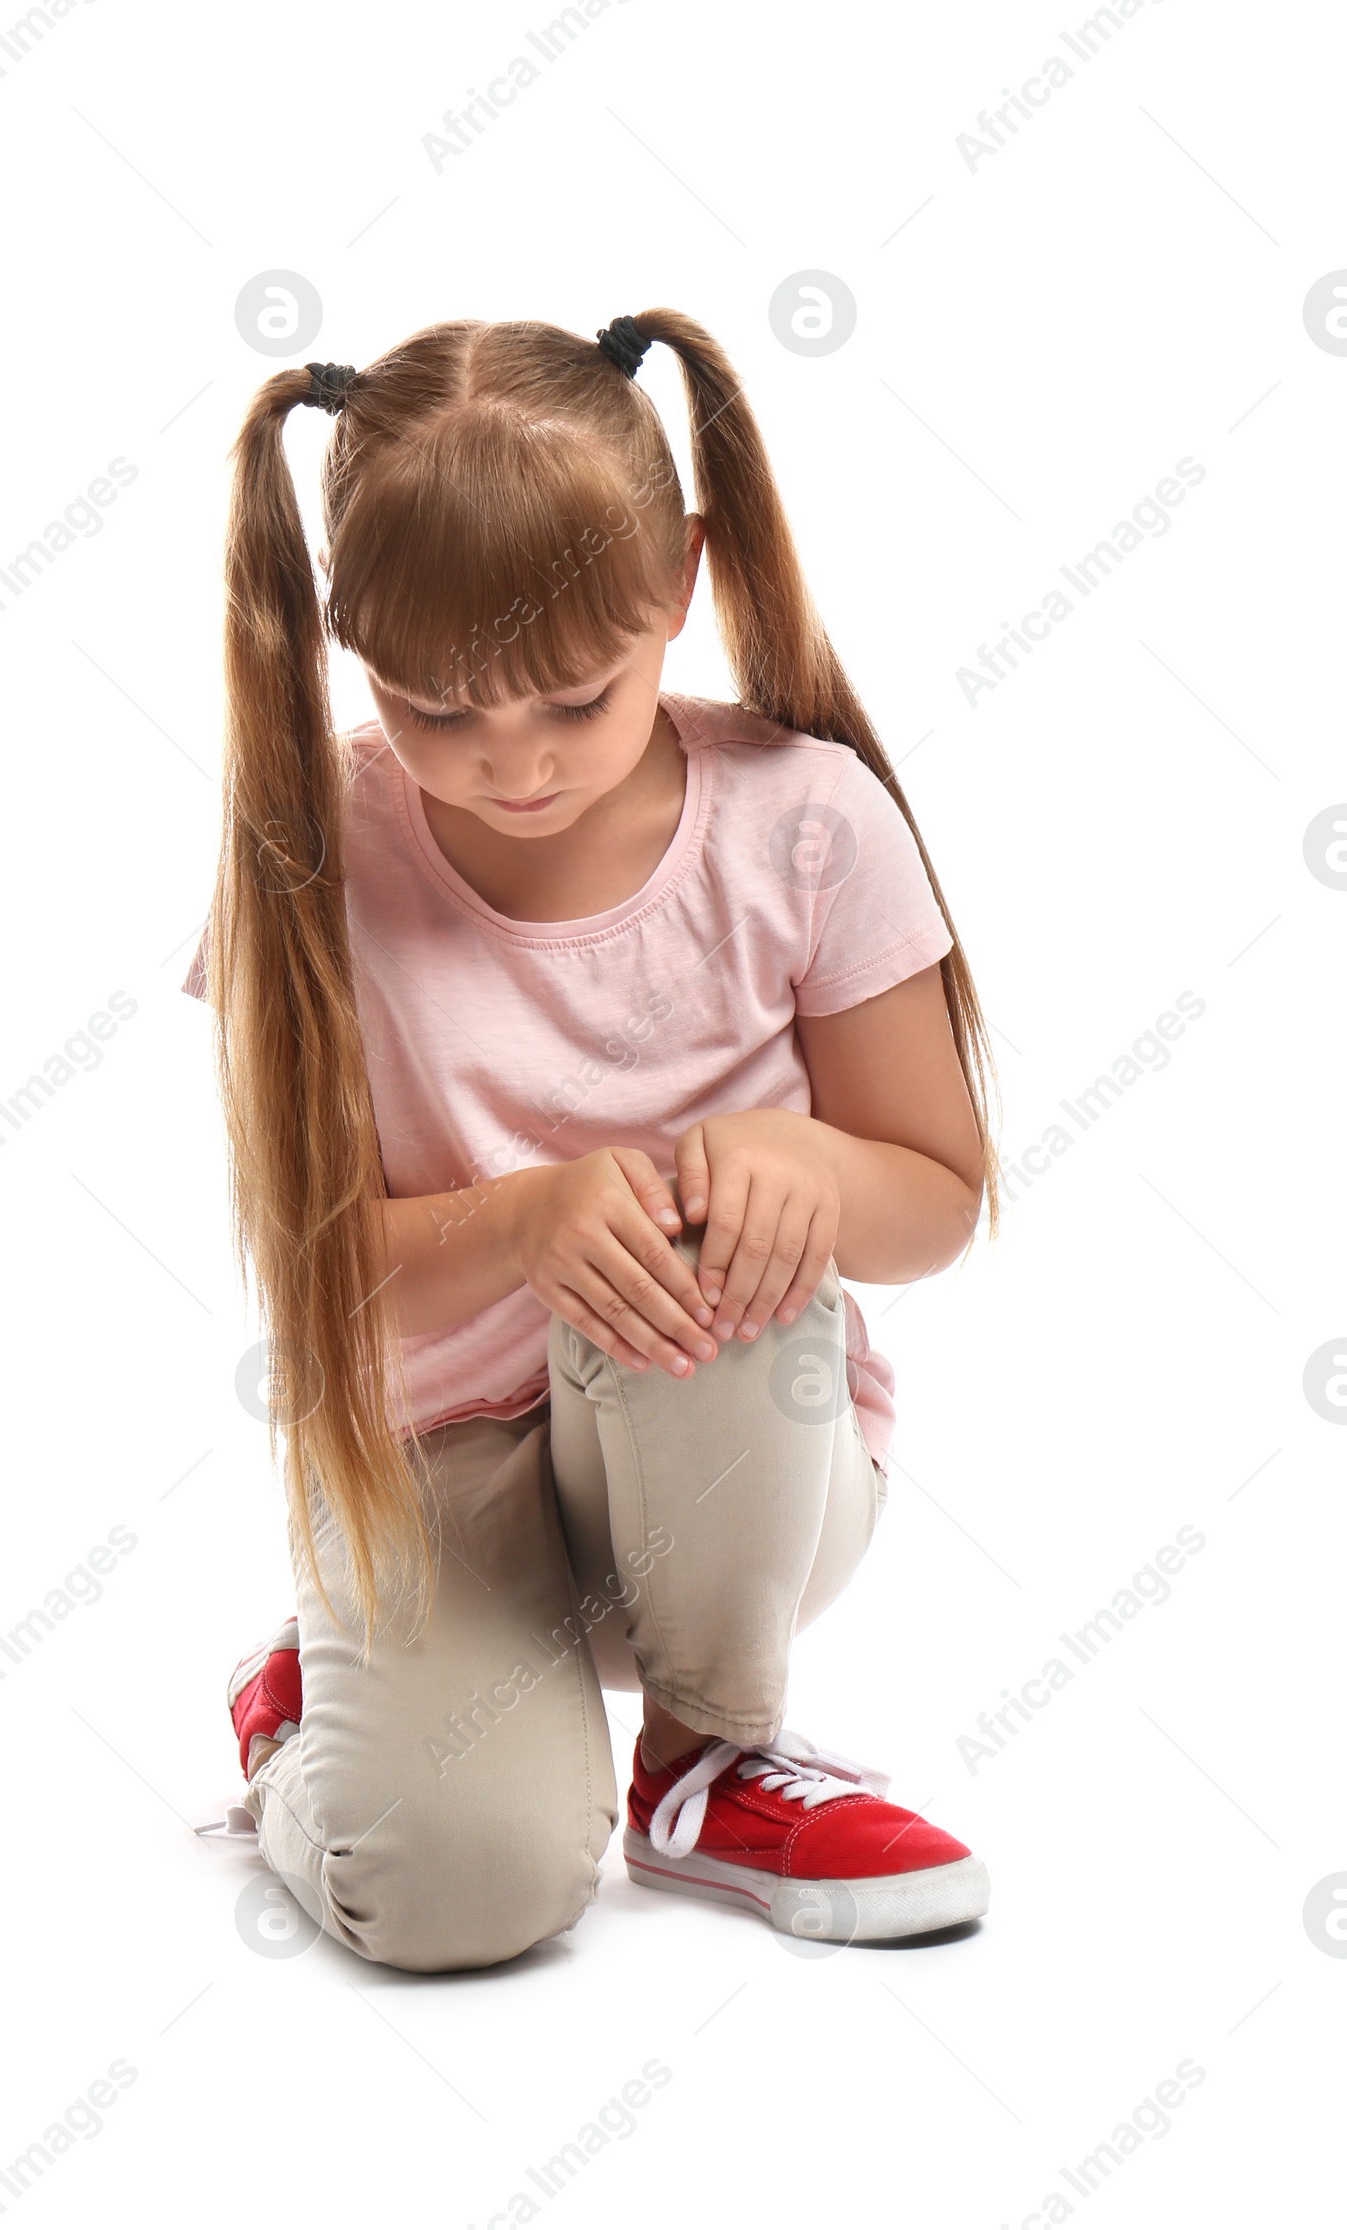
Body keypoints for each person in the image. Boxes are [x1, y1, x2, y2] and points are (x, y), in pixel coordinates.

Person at [181, 309, 997, 1973]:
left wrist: (814, 1174)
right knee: (454, 1898)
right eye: (438, 711)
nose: (515, 765)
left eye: (572, 697)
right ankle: (302, 1730)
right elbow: (315, 1270)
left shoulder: (807, 818)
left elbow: (933, 1196)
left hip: (732, 1480)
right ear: (353, 644)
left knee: (712, 1222)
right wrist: (520, 1221)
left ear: (681, 581)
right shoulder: (312, 852)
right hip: (430, 1468)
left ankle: (713, 1759)